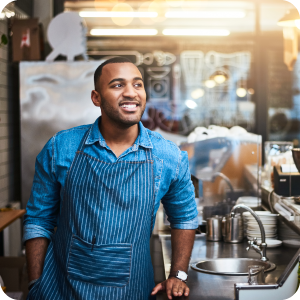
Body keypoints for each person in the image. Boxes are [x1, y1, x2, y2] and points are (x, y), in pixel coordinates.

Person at [23, 57, 198, 300]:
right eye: (117, 85)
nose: (130, 93)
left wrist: (178, 275)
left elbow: (185, 218)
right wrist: (35, 284)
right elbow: (38, 219)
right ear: (96, 97)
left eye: (138, 85)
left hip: (132, 291)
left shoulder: (169, 157)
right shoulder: (60, 148)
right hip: (59, 291)